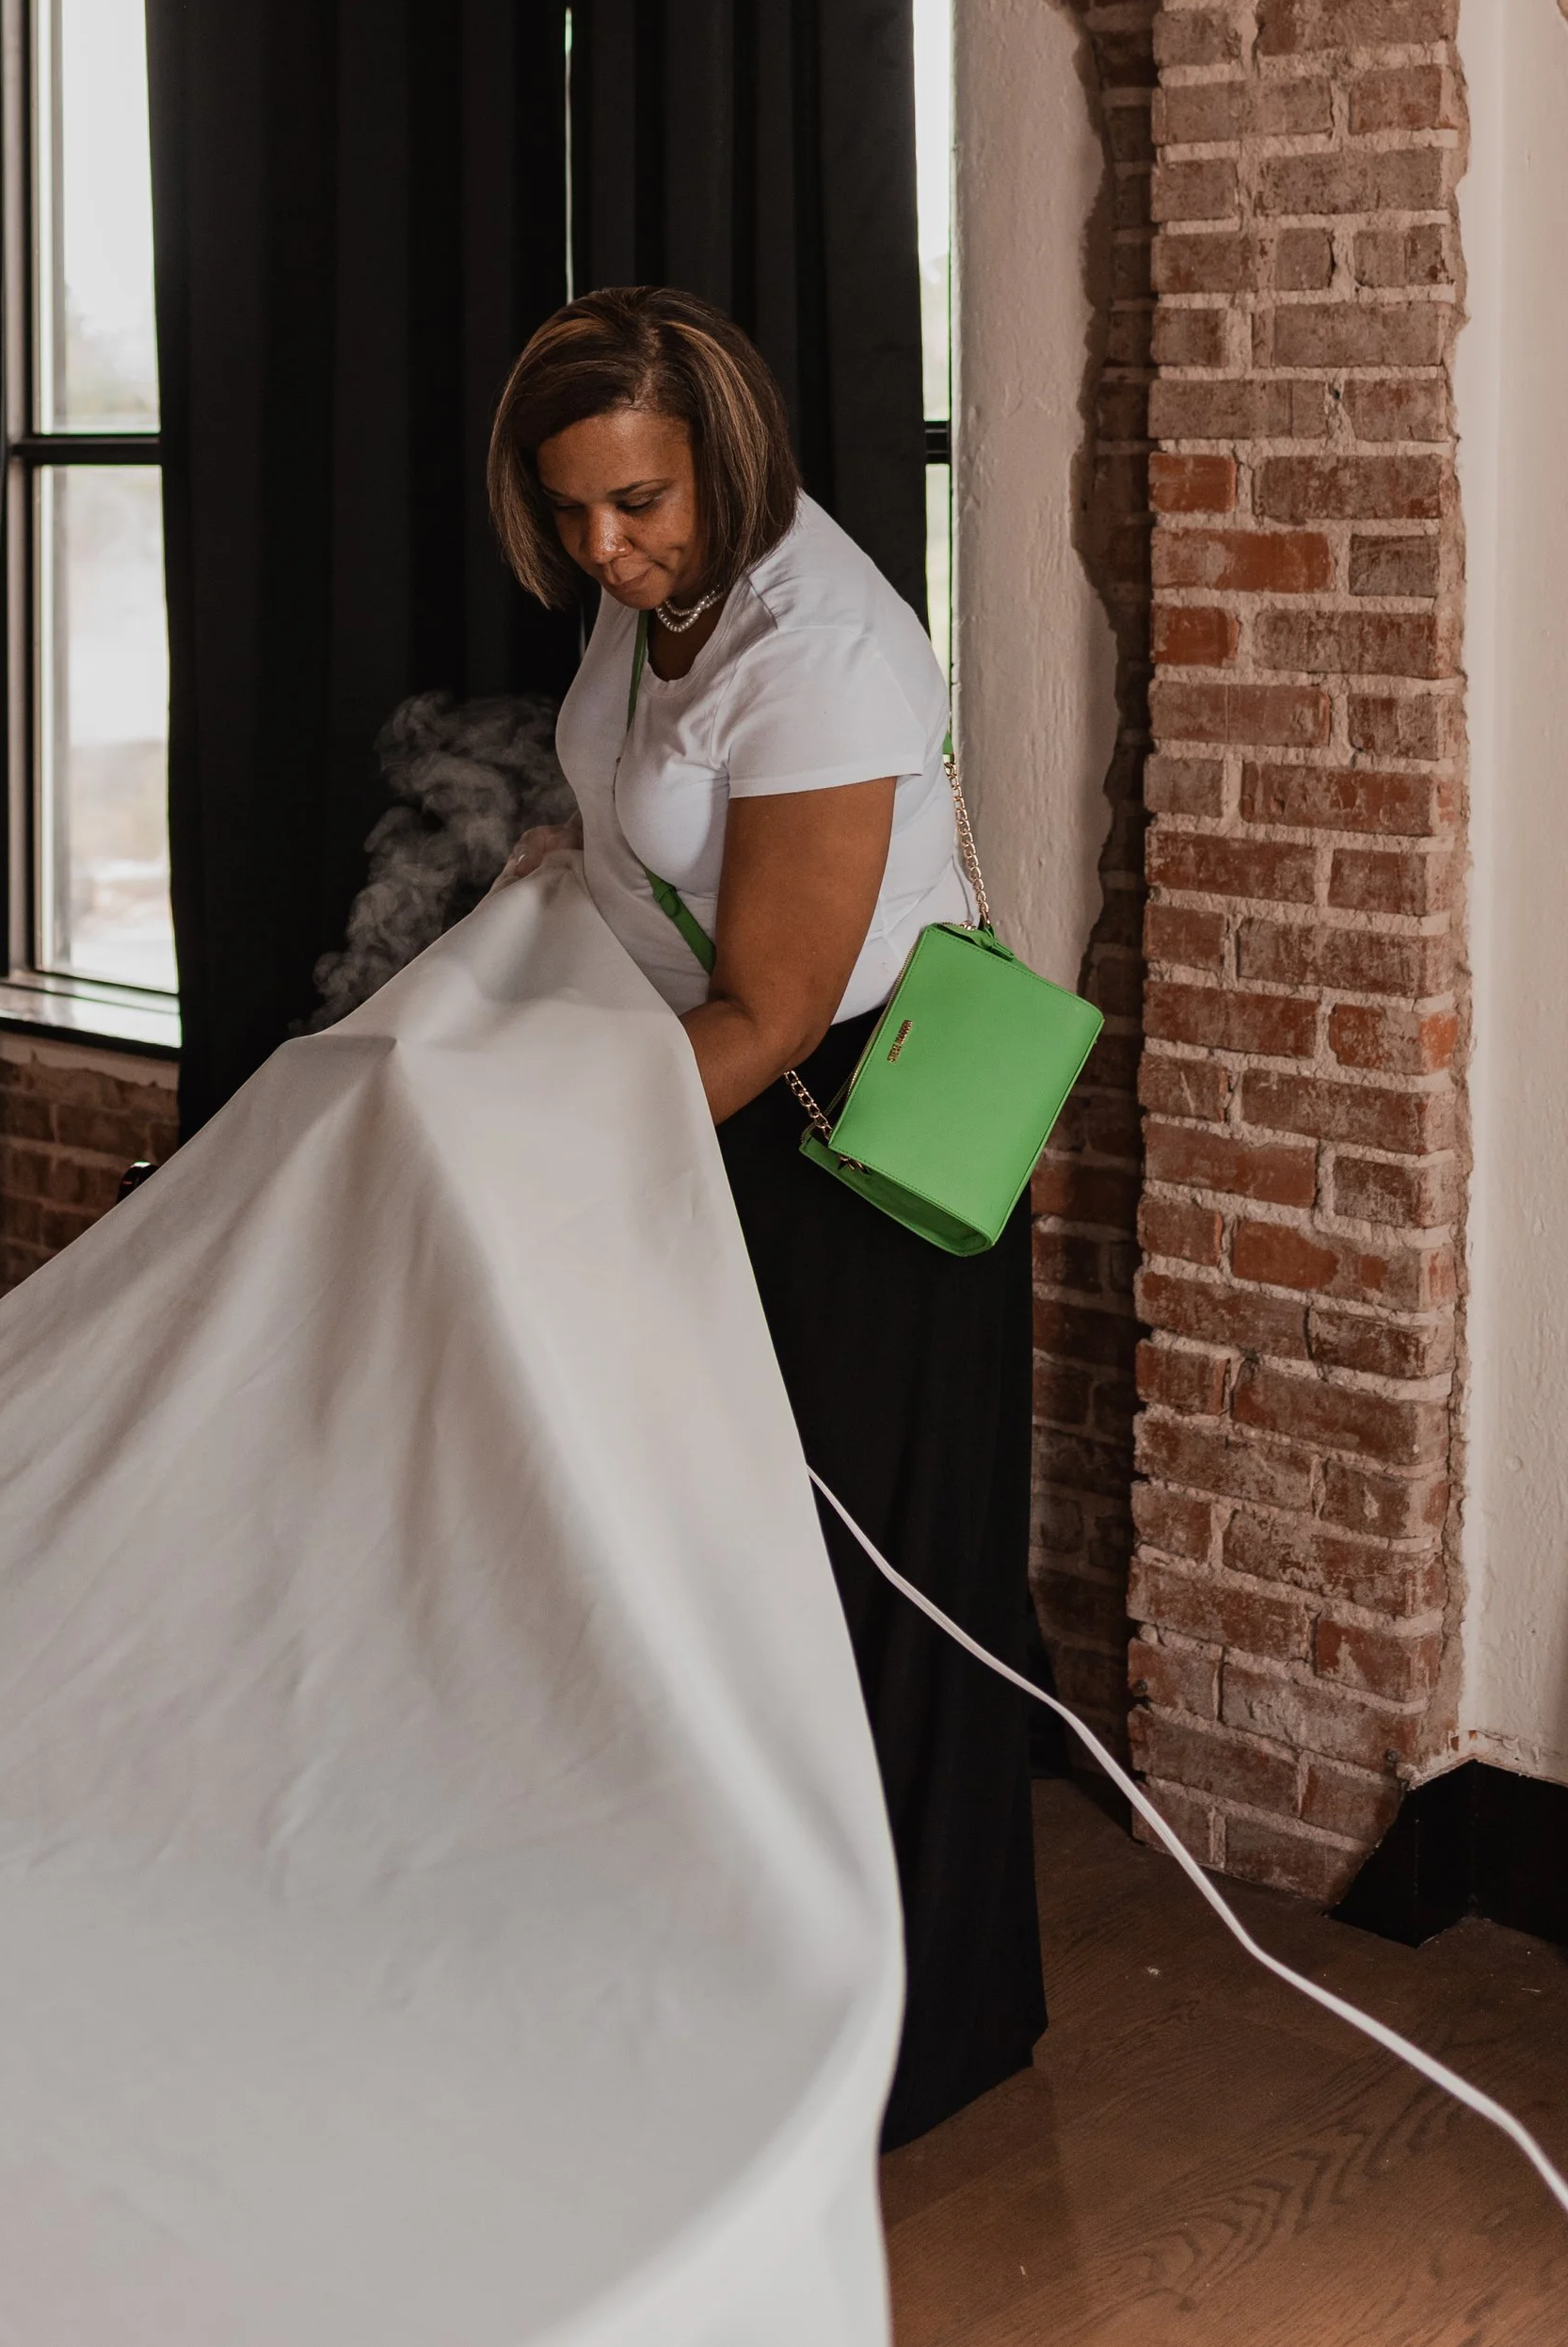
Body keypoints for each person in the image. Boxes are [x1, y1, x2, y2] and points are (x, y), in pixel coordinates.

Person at [487, 283, 1046, 2146]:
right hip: (728, 1118)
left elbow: (777, 1008)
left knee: (858, 1605)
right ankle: (756, 1986)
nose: (600, 547)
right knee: (725, 1585)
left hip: (845, 1148)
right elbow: (640, 834)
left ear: (720, 464)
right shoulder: (657, 594)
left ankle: (906, 2045)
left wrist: (533, 1144)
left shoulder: (814, 651)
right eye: (568, 510)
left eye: (635, 503)